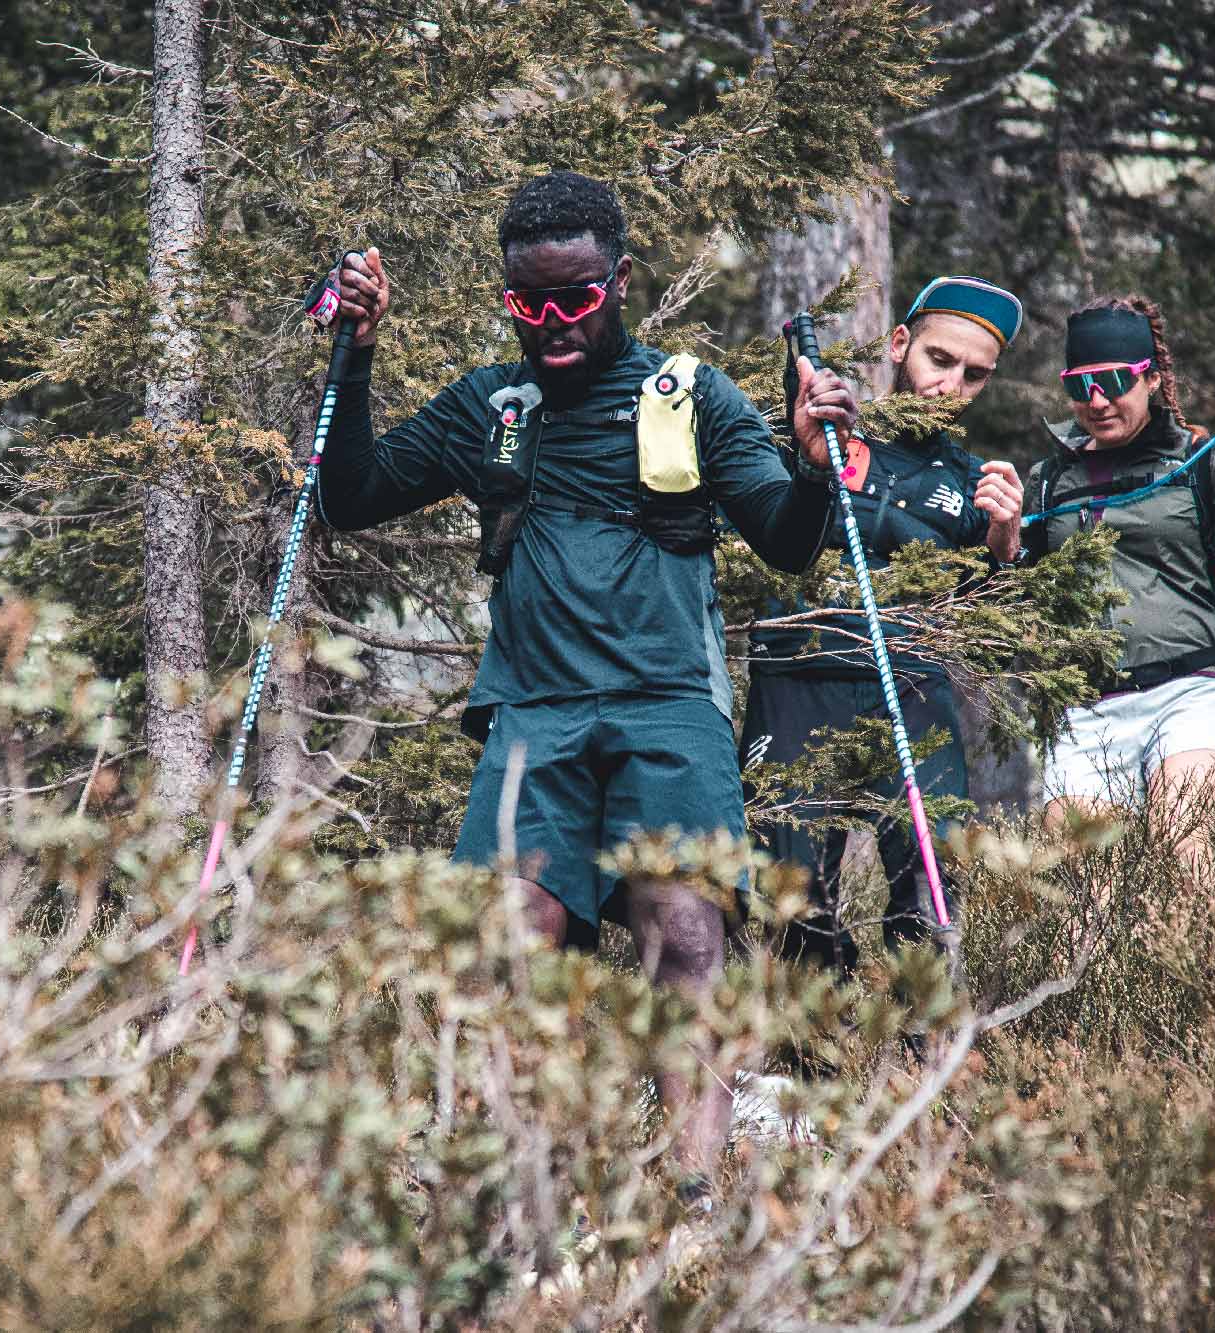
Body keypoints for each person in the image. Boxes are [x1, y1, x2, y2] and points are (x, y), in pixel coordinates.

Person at [314, 171, 858, 1199]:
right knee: (512, 944)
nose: (554, 325)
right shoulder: (490, 406)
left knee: (684, 935)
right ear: (509, 294)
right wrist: (355, 353)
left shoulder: (690, 395)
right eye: (530, 304)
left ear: (618, 280)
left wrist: (812, 464)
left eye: (577, 299)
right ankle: (526, 1186)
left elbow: (786, 546)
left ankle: (692, 1190)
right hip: (532, 715)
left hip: (669, 712)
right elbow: (349, 496)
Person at [740, 278, 1026, 976]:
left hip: (911, 685)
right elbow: (756, 526)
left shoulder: (970, 484)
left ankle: (926, 1068)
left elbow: (999, 627)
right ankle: (809, 1071)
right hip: (797, 679)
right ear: (900, 344)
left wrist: (1005, 541)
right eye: (939, 359)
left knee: (932, 891)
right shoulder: (819, 431)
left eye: (974, 374)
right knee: (791, 899)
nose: (950, 385)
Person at [1022, 295, 1215, 864]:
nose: (1096, 401)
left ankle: (1211, 957)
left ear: (1153, 379)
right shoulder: (1048, 482)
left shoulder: (1204, 459)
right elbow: (1011, 584)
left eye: (1114, 380)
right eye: (1078, 385)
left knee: (1187, 855)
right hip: (1087, 707)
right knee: (1087, 897)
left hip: (1193, 688)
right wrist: (998, 533)